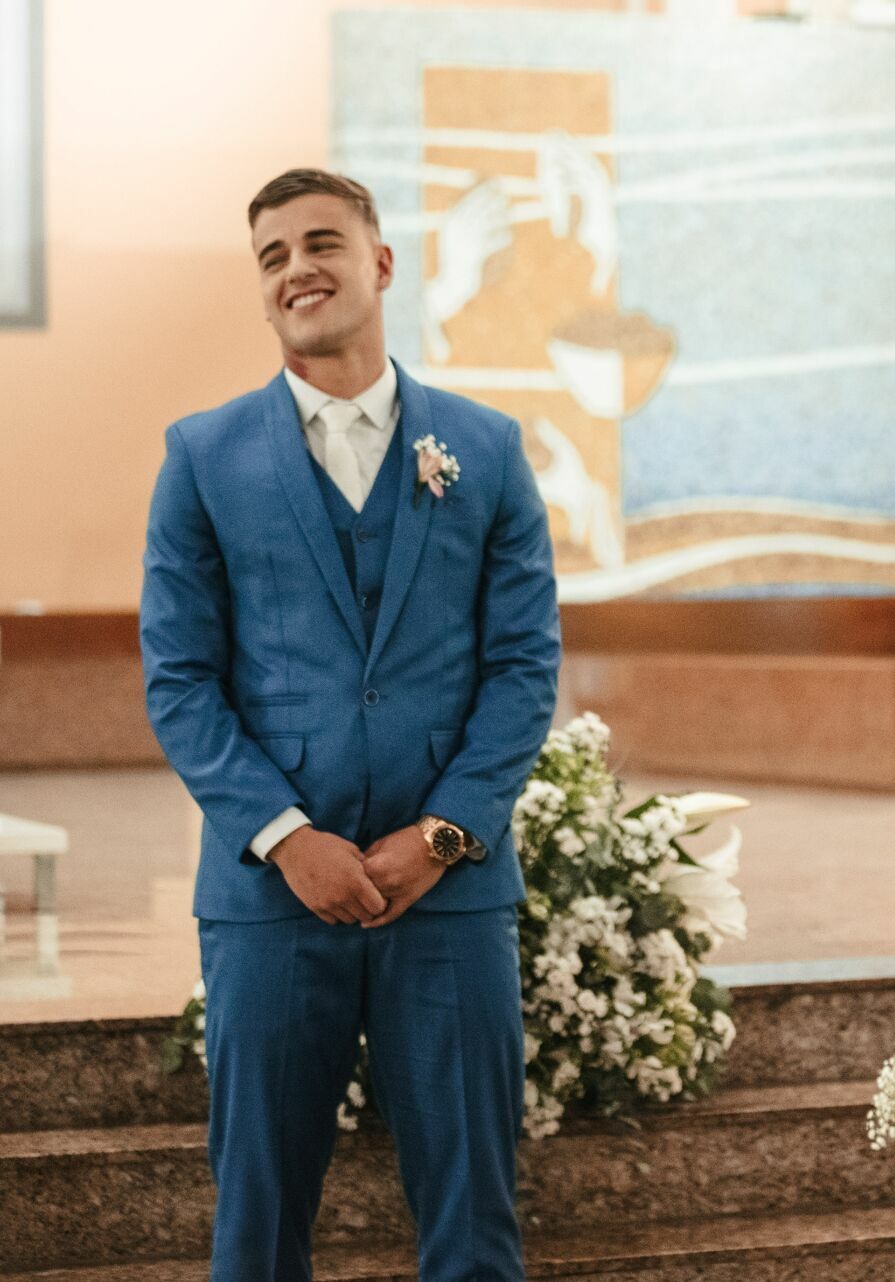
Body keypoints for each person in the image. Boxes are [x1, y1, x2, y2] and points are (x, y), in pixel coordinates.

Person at [140, 168, 560, 1281]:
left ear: (380, 263)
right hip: (269, 901)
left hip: (452, 896)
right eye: (272, 256)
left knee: (475, 1226)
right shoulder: (201, 456)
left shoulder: (488, 448)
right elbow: (178, 679)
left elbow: (523, 667)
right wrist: (286, 835)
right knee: (259, 1229)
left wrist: (445, 834)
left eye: (320, 241)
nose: (297, 268)